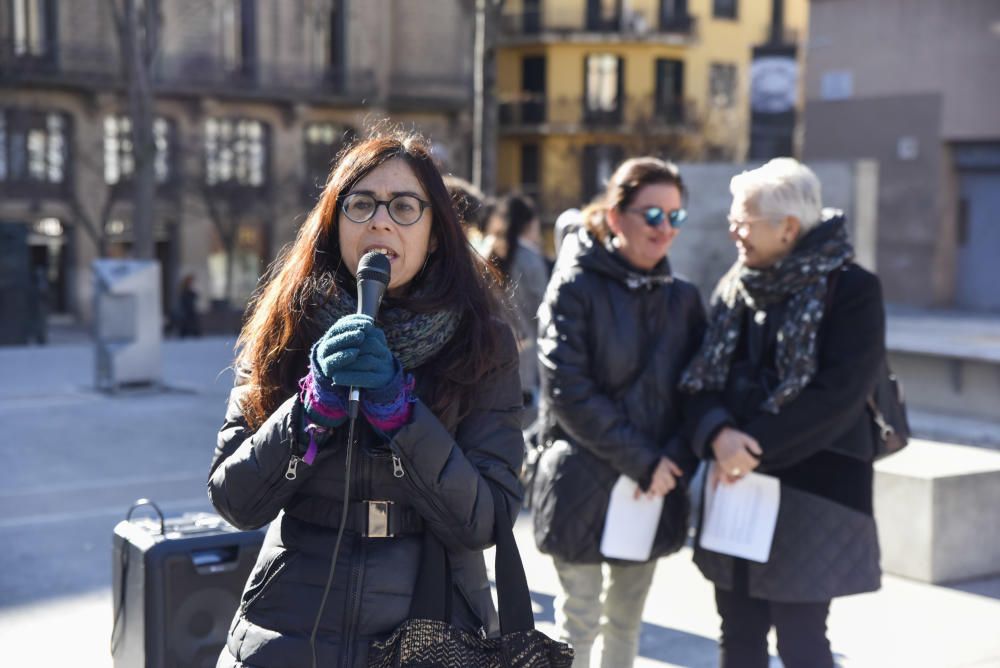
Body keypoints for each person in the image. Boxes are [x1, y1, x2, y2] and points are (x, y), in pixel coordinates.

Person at [208, 130, 525, 668]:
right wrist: (309, 412)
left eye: (404, 206)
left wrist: (401, 416)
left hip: (431, 621)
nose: (380, 221)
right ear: (334, 223)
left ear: (435, 233)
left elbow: (486, 521)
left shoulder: (481, 340)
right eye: (361, 204)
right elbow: (236, 501)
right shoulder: (286, 326)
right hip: (289, 623)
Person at [679, 158, 884, 668]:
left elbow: (839, 393)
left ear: (788, 228)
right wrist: (717, 434)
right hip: (734, 485)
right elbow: (699, 378)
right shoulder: (736, 284)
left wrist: (755, 448)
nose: (733, 232)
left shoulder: (853, 289)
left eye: (743, 221)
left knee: (802, 640)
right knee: (738, 633)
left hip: (813, 490)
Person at [530, 157, 711, 668]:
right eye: (652, 215)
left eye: (676, 217)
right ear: (615, 217)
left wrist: (672, 463)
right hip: (582, 478)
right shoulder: (574, 286)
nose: (665, 230)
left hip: (652, 484)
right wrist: (645, 461)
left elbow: (699, 392)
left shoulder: (685, 299)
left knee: (627, 623)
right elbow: (566, 390)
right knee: (579, 622)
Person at [486, 194, 550, 422]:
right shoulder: (531, 260)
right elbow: (543, 312)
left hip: (490, 351)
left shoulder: (487, 254)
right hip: (525, 354)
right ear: (528, 224)